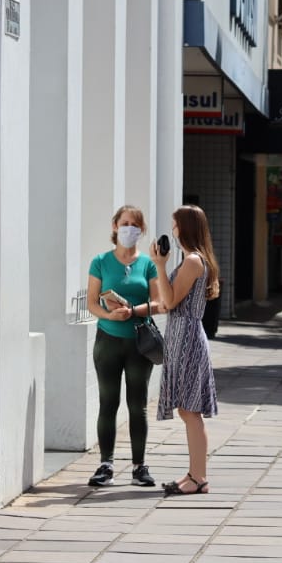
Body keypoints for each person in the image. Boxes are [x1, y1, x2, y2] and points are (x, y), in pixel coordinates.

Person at [85, 205, 162, 488]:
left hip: (139, 343)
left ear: (141, 231)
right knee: (108, 402)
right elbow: (92, 302)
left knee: (137, 405)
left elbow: (159, 303)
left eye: (135, 225)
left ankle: (139, 466)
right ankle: (106, 464)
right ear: (115, 226)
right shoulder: (100, 261)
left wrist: (134, 310)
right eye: (125, 223)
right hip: (108, 340)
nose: (130, 228)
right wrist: (109, 315)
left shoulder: (148, 264)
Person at [150, 205, 219, 496]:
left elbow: (170, 301)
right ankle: (194, 474)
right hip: (182, 336)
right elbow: (165, 302)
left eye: (175, 224)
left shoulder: (192, 261)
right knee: (187, 410)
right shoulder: (193, 259)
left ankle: (199, 477)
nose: (173, 230)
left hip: (187, 338)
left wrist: (160, 265)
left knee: (190, 410)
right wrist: (134, 310)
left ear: (185, 228)